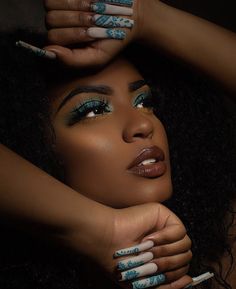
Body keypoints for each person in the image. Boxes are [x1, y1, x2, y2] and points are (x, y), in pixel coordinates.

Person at [0, 0, 235, 288]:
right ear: (32, 147)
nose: (143, 125)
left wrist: (145, 16)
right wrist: (102, 231)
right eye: (94, 110)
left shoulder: (220, 249)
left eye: (145, 102)